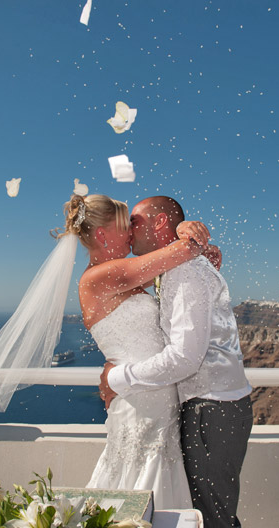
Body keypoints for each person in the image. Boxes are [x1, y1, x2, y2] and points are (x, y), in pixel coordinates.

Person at [56, 193, 219, 510]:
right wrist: (185, 229)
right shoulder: (100, 277)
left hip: (151, 398)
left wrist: (197, 245)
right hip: (139, 403)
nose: (132, 232)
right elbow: (183, 249)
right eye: (125, 225)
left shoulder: (126, 275)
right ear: (103, 234)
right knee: (139, 491)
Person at [99, 196, 253, 528]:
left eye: (136, 220)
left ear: (158, 223)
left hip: (210, 409)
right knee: (212, 511)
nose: (129, 228)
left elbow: (185, 357)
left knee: (211, 518)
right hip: (212, 406)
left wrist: (118, 379)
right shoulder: (179, 264)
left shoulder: (183, 270)